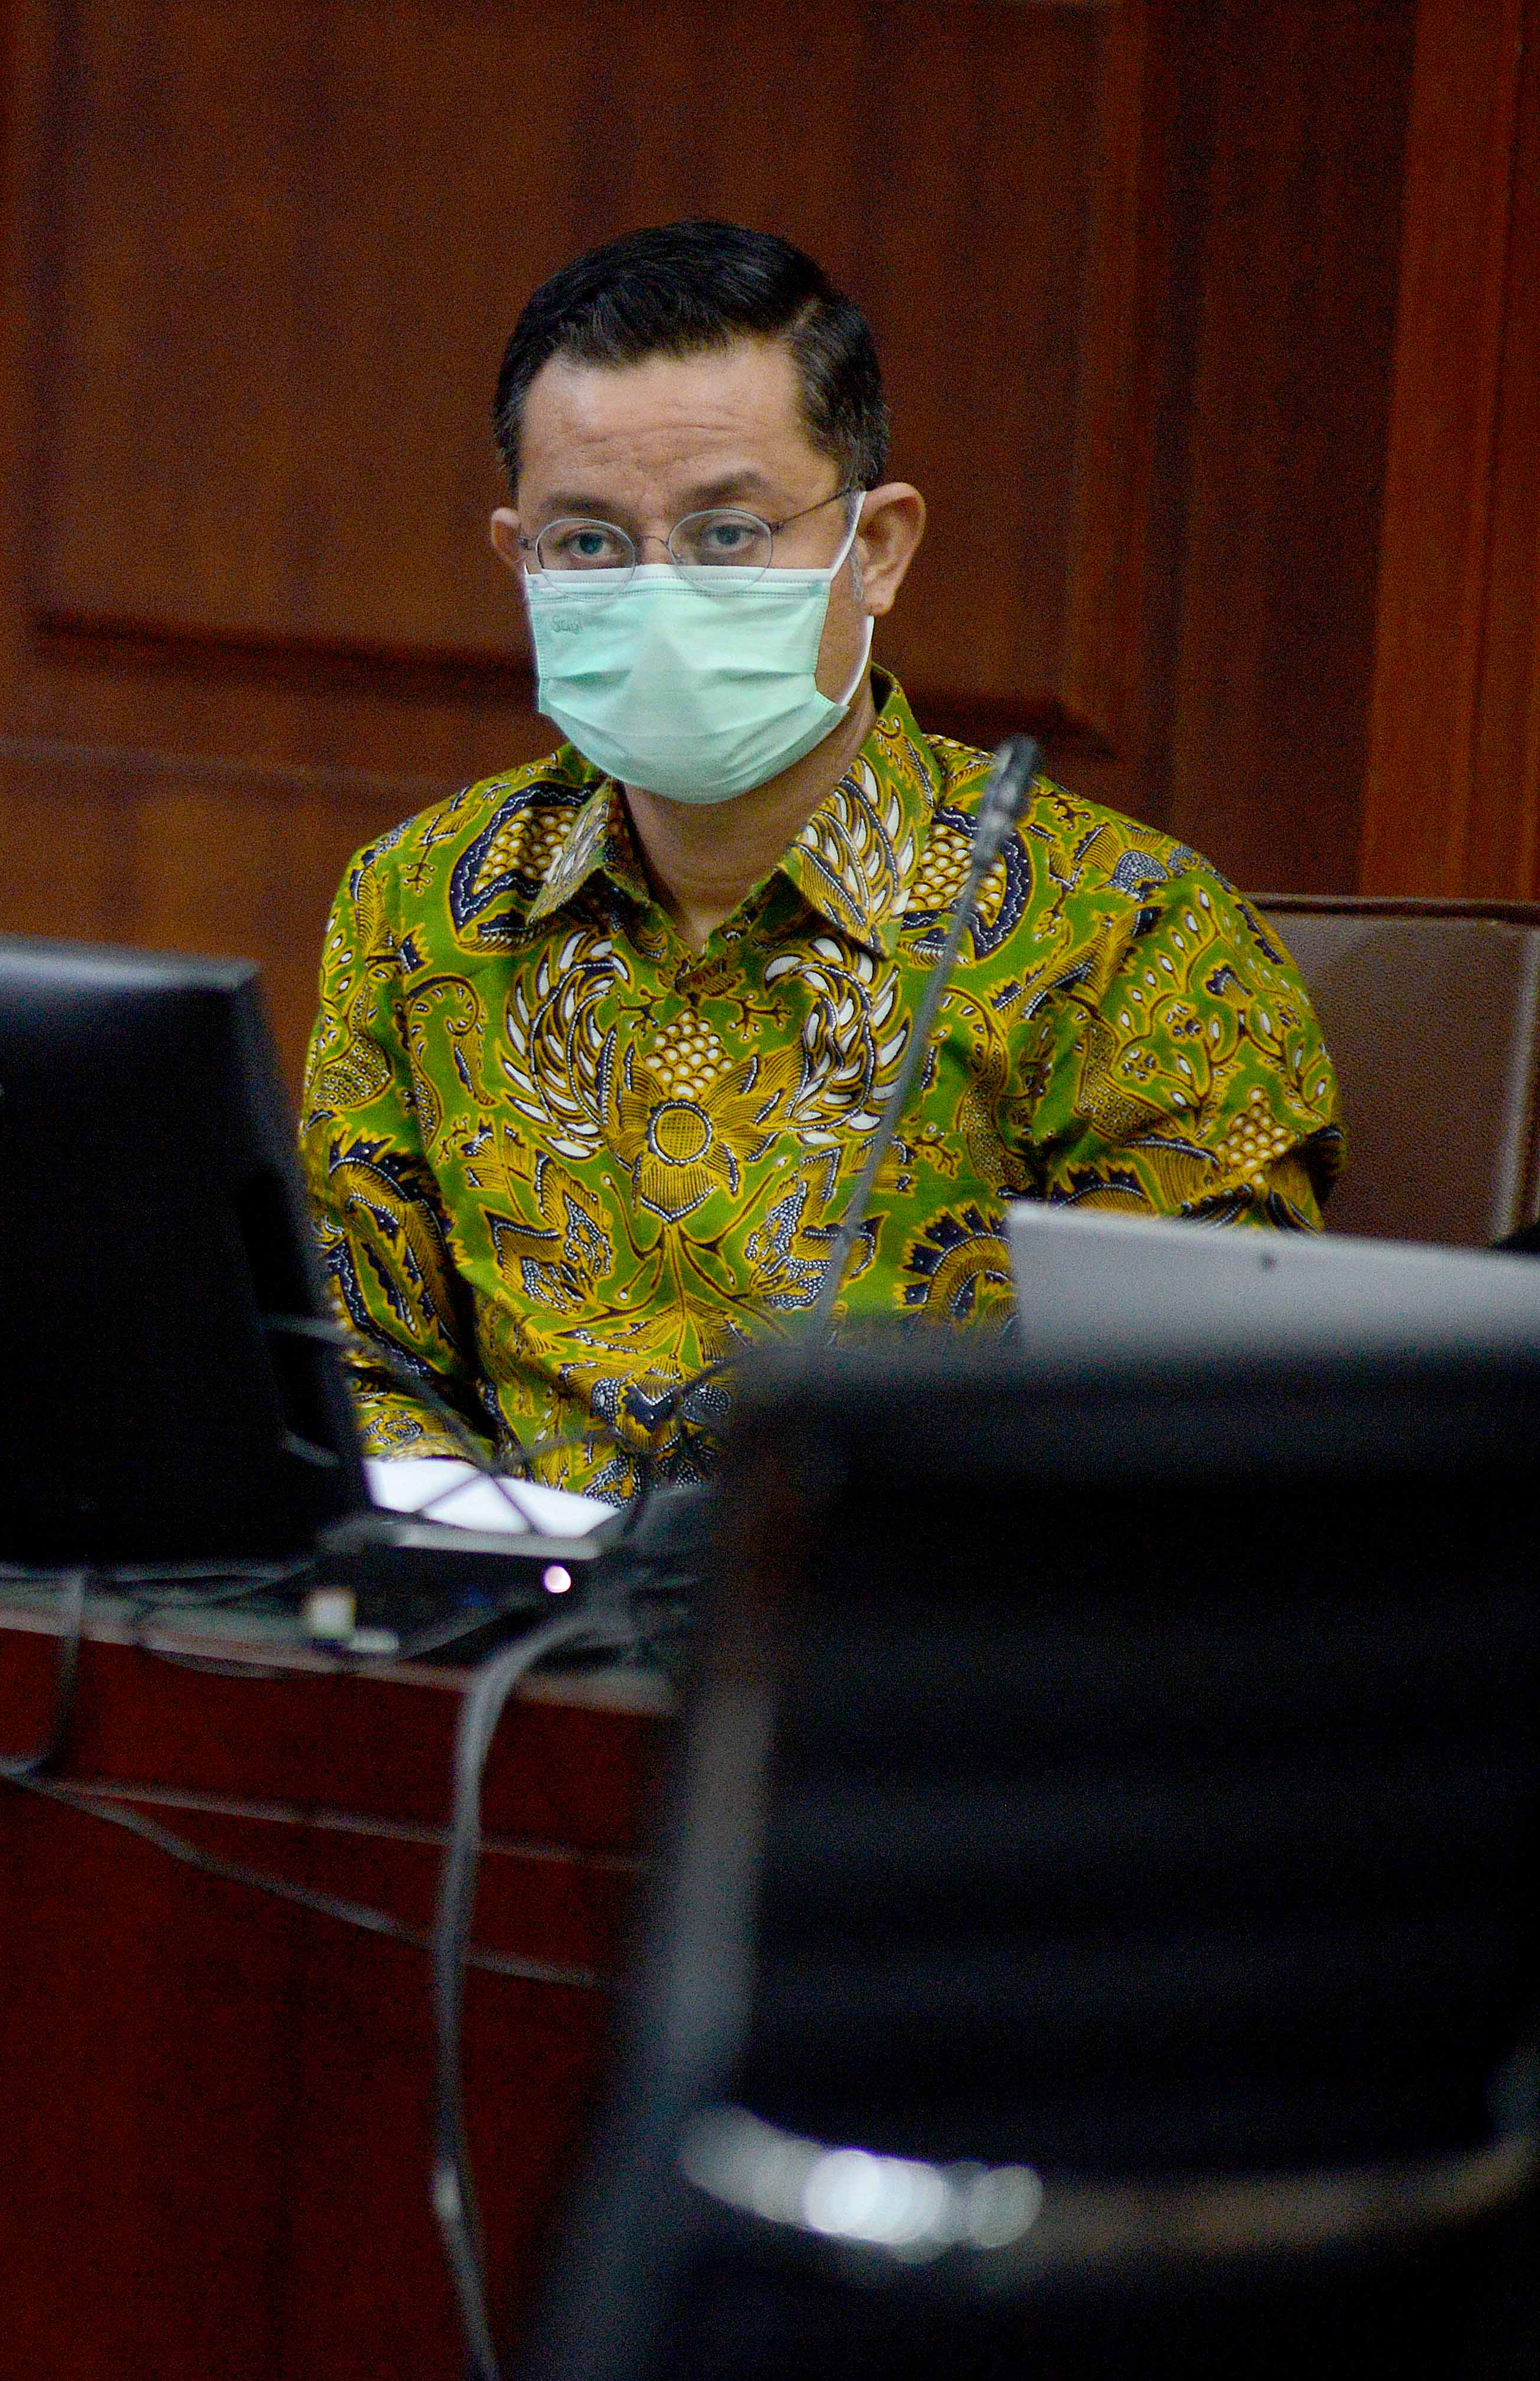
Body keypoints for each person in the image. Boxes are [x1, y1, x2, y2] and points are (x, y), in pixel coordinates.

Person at [301, 221, 1340, 1498]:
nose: (655, 592)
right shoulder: (418, 901)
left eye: (726, 534)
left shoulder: (1126, 937)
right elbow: (348, 1362)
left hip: (913, 1658)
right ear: (517, 560)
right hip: (501, 1642)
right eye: (587, 544)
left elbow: (1199, 1443)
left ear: (879, 548)